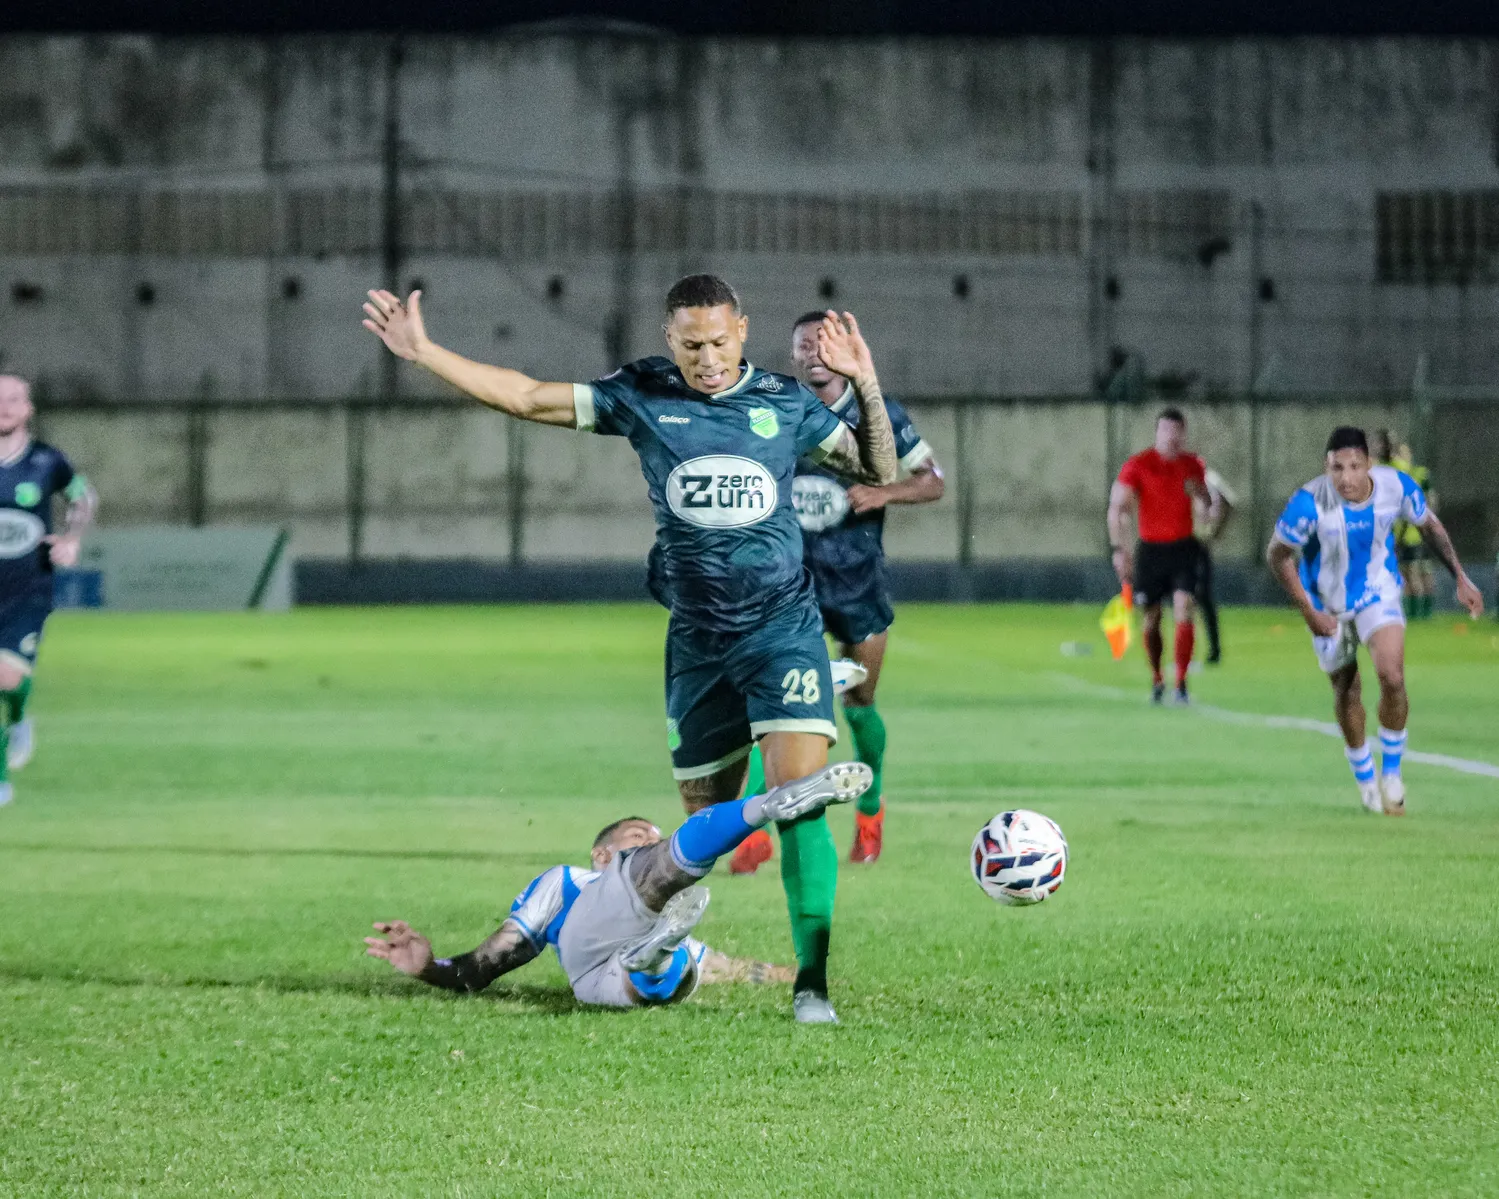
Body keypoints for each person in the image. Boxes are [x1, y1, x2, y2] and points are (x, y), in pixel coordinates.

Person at [361, 275, 897, 1024]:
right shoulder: (640, 392)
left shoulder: (782, 400)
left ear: (741, 330)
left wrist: (864, 382)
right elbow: (524, 394)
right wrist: (424, 354)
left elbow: (879, 469)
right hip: (697, 643)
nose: (706, 358)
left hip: (781, 624)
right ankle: (648, 952)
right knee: (697, 832)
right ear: (668, 337)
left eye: (718, 341)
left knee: (797, 800)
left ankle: (813, 982)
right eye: (690, 344)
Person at [364, 762, 871, 1007]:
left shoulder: (665, 899)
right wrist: (431, 967)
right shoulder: (567, 883)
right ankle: (765, 806)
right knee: (661, 875)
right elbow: (482, 967)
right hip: (590, 951)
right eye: (635, 838)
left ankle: (655, 956)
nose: (647, 839)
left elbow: (732, 969)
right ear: (601, 853)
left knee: (679, 975)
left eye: (651, 837)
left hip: (616, 981)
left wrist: (799, 978)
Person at [730, 310, 944, 873]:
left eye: (825, 342)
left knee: (860, 701)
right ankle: (754, 831)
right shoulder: (777, 412)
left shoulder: (880, 416)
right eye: (804, 344)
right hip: (789, 583)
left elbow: (934, 482)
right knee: (773, 706)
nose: (814, 352)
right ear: (795, 354)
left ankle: (870, 814)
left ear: (845, 350)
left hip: (857, 579)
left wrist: (886, 493)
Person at [1266, 426, 1483, 815]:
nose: (1346, 477)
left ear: (1369, 463)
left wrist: (1461, 577)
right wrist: (1308, 610)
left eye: (1354, 466)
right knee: (1347, 688)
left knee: (1392, 675)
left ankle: (1393, 773)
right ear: (1326, 467)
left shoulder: (1394, 486)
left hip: (1376, 592)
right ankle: (1366, 779)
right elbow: (1277, 555)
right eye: (1337, 468)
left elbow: (1429, 525)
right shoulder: (1308, 502)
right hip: (1327, 605)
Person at [0, 375, 97, 806]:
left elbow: (83, 496)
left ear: (28, 409)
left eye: (13, 399)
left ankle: (19, 719)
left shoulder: (46, 461)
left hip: (27, 587)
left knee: (6, 678)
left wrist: (72, 538)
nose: (4, 406)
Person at [1107, 408, 1219, 704]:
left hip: (1183, 548)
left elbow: (1207, 504)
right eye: (1166, 431)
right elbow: (1118, 508)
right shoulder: (1138, 465)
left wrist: (1207, 505)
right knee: (1152, 620)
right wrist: (1119, 549)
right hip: (1151, 551)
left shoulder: (1192, 465)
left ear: (1183, 434)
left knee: (1185, 607)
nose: (1172, 437)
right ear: (1157, 433)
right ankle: (1158, 677)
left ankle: (1181, 682)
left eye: (1177, 431)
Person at [1370, 430, 1436, 620]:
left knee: (1415, 571)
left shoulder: (1414, 473)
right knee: (1405, 571)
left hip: (1413, 532)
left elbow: (1429, 500)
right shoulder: (1383, 468)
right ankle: (1412, 612)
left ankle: (1420, 613)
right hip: (1398, 530)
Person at [1192, 466, 1237, 664]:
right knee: (1198, 597)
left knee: (1196, 597)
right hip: (1195, 543)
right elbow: (1229, 502)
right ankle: (1211, 650)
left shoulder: (1203, 478)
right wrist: (1215, 532)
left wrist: (1214, 531)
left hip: (1194, 543)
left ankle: (1207, 650)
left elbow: (1228, 502)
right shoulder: (1206, 477)